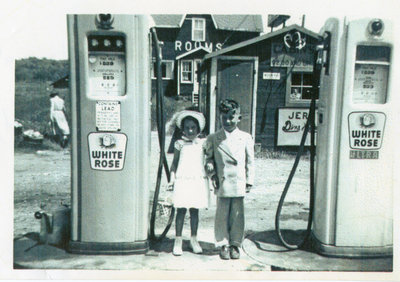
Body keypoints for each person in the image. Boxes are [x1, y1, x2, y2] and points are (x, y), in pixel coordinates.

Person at [204, 99, 254, 260]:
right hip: (223, 181)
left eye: (231, 117)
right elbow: (209, 158)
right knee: (222, 214)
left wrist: (249, 180)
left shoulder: (245, 137)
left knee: (238, 214)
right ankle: (223, 244)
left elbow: (250, 160)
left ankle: (235, 244)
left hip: (238, 181)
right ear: (219, 117)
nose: (227, 121)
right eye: (224, 117)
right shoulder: (213, 138)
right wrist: (211, 170)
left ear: (239, 118)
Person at [167, 110, 210, 256]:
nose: (190, 130)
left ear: (198, 128)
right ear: (183, 129)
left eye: (193, 127)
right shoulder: (179, 144)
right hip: (183, 180)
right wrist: (172, 179)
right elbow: (174, 164)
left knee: (194, 211)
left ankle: (193, 240)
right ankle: (177, 241)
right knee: (181, 211)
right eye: (187, 128)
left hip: (197, 179)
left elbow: (209, 160)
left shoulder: (203, 143)